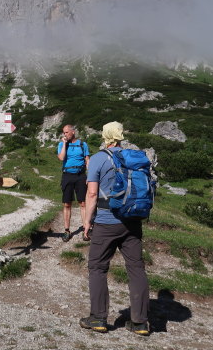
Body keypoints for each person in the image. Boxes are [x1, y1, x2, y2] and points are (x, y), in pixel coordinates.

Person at [79, 121, 150, 336]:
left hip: (106, 221)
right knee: (136, 269)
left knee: (98, 267)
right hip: (132, 222)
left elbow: (92, 194)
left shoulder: (99, 158)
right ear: (120, 135)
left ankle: (98, 318)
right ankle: (140, 323)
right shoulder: (133, 157)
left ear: (104, 135)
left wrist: (87, 221)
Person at [57, 124, 90, 242]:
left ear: (73, 132)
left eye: (66, 132)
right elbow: (61, 158)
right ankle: (67, 230)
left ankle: (86, 229)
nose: (64, 134)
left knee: (83, 203)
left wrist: (90, 176)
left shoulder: (83, 144)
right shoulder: (62, 144)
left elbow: (87, 161)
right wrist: (65, 144)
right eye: (64, 133)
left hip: (81, 176)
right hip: (67, 175)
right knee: (67, 204)